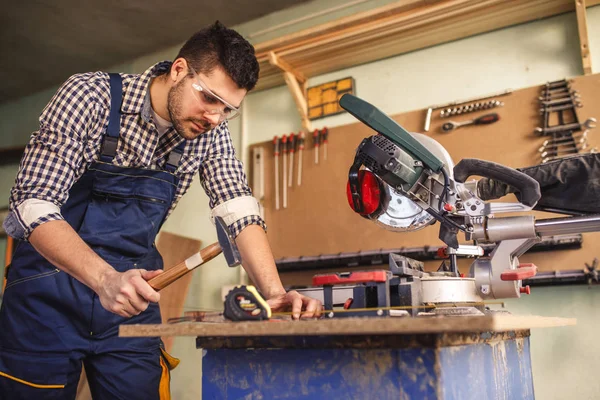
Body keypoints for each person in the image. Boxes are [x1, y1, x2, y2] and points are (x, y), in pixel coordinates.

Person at [0, 21, 322, 399]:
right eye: (209, 98)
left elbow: (237, 207)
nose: (215, 118)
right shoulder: (89, 96)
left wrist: (273, 292)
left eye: (228, 109)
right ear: (179, 70)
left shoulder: (209, 132)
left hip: (131, 300)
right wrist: (105, 279)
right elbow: (32, 202)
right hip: (45, 300)